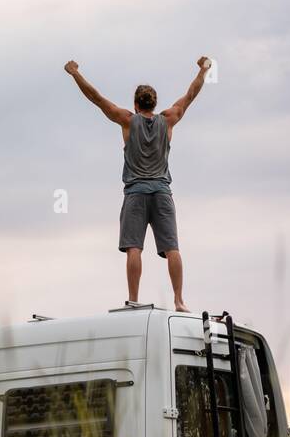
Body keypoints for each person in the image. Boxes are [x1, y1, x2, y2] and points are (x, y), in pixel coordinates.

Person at [64, 56, 209, 312]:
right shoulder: (169, 119)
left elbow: (97, 98)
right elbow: (190, 95)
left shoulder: (128, 121)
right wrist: (203, 70)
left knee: (134, 248)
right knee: (172, 248)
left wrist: (75, 73)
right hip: (162, 192)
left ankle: (133, 299)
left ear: (135, 103)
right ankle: (179, 300)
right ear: (155, 103)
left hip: (136, 193)